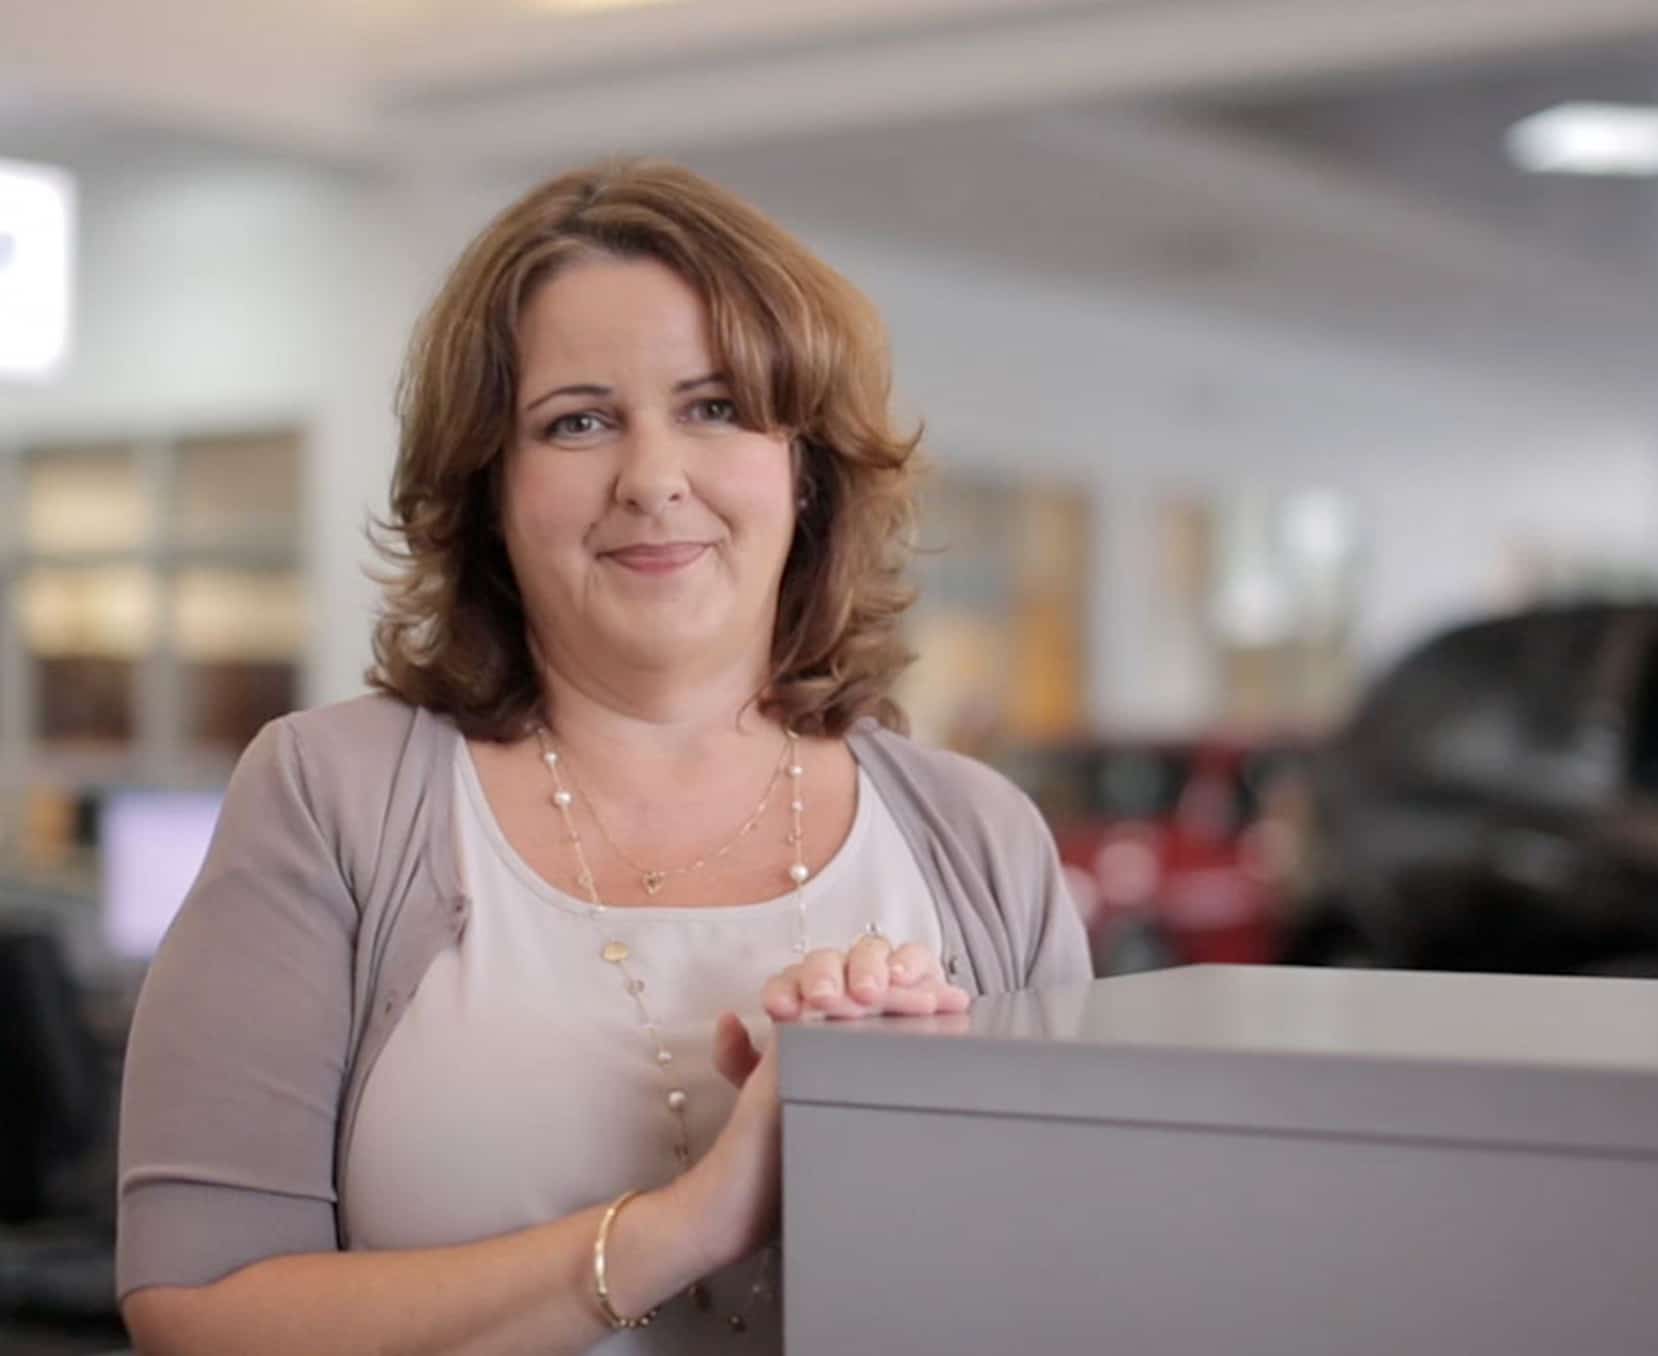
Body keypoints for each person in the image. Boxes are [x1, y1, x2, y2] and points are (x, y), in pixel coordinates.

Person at [116, 159, 1090, 1355]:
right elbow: (198, 1311)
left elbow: (1076, 1291)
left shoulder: (978, 838)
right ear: (487, 491)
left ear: (807, 472)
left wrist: (910, 1137)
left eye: (716, 406)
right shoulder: (332, 795)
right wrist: (689, 1222)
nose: (651, 478)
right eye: (576, 421)